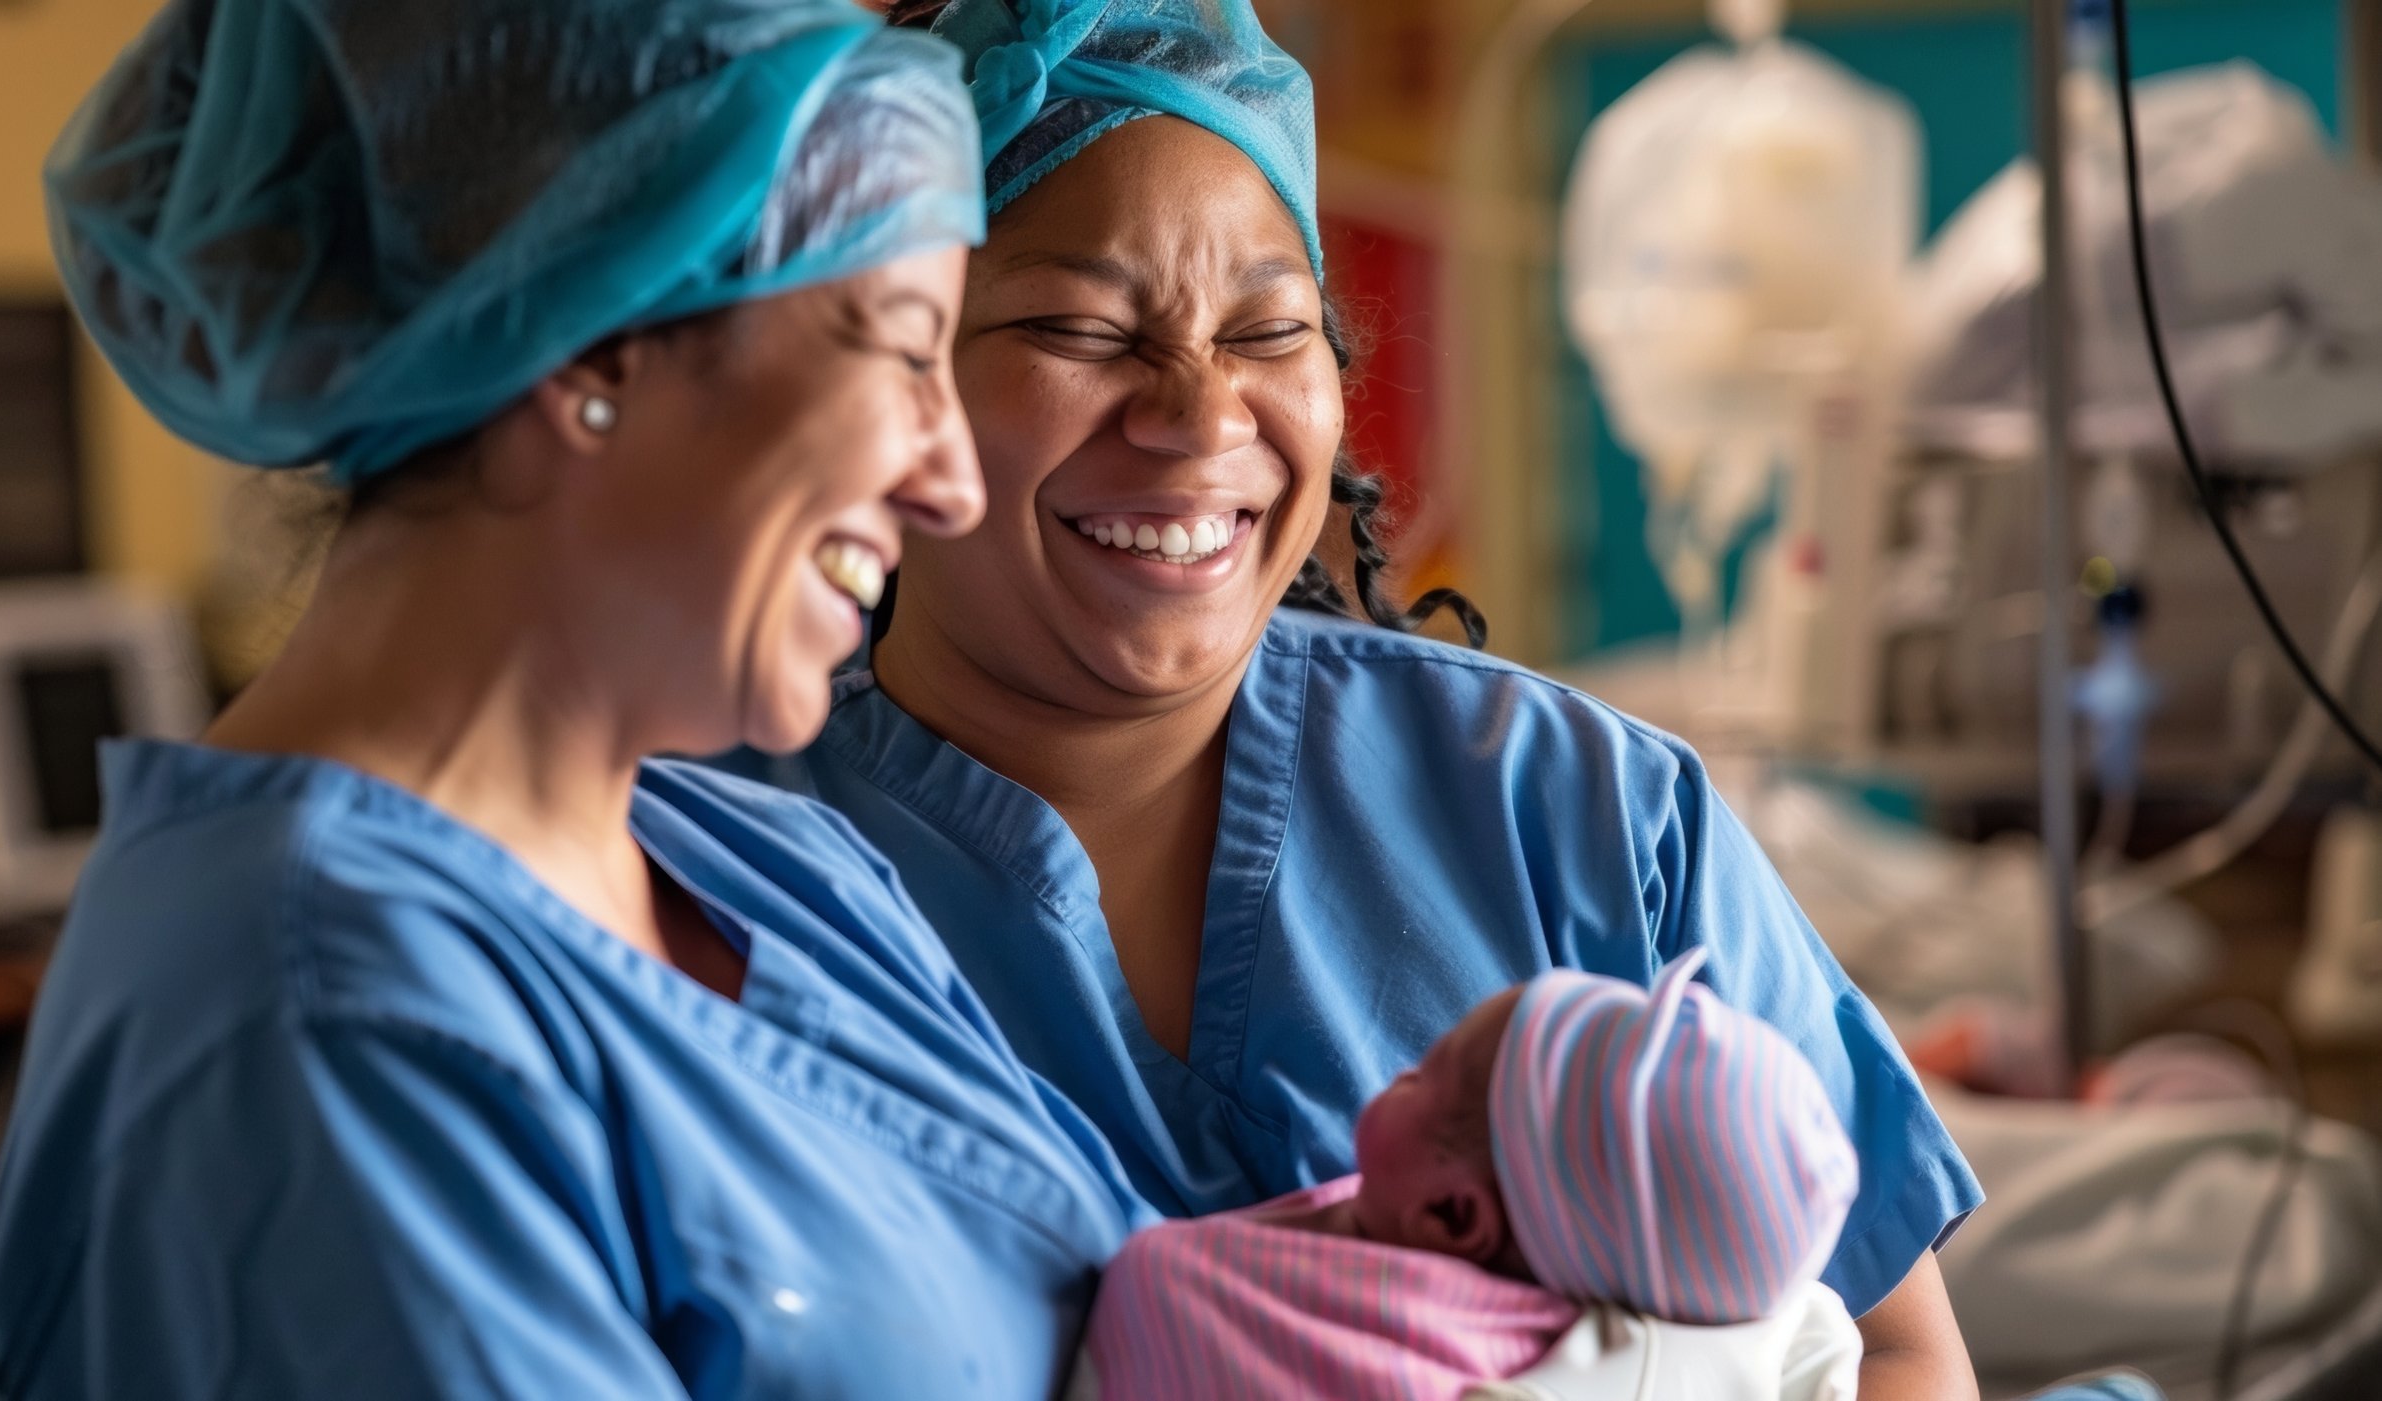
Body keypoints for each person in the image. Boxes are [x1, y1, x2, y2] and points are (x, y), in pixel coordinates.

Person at [725, 0, 1985, 1392]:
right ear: (886, 371)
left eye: (1269, 331)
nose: (1202, 416)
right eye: (1081, 328)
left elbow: (1891, 1346)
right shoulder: (715, 873)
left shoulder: (1575, 809)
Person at [0, 3, 1147, 1397]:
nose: (952, 482)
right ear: (589, 340)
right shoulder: (322, 1022)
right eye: (903, 348)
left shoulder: (776, 866)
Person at [1076, 948, 1863, 1399]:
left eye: (1424, 1073)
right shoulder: (1782, 1328)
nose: (1397, 1072)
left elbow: (1163, 1304)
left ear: (1453, 1216)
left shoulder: (1396, 1348)